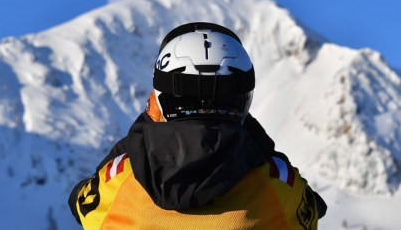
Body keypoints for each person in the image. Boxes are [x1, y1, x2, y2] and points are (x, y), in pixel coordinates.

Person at [68, 22, 327, 229]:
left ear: (160, 100)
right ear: (242, 103)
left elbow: (80, 204)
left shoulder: (117, 180)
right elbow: (313, 211)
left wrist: (143, 127)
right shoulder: (279, 185)